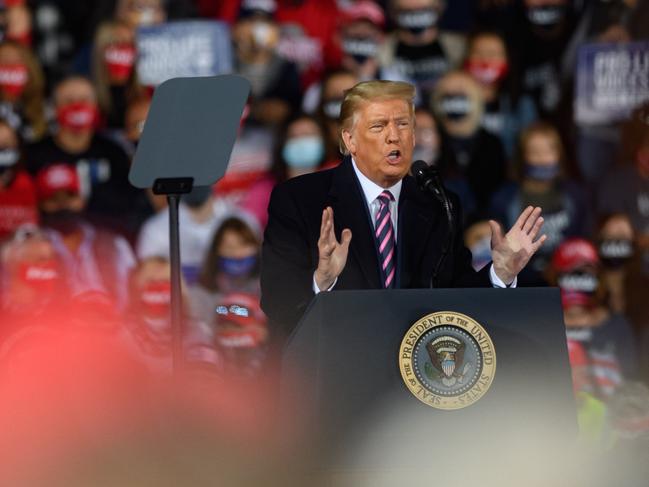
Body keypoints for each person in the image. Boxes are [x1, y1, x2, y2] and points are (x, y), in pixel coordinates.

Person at [261, 80, 546, 334]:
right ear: (350, 140)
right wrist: (321, 283)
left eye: (403, 124)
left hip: (412, 378)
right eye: (378, 126)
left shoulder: (438, 203)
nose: (394, 136)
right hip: (334, 374)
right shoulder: (300, 199)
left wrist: (501, 274)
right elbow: (278, 303)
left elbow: (458, 301)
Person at [24, 76, 138, 238]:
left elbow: (127, 203)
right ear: (55, 109)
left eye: (84, 100)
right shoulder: (34, 154)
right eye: (69, 101)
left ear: (96, 107)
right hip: (48, 241)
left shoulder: (113, 151)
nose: (77, 106)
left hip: (104, 240)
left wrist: (85, 204)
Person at [490, 121, 591, 283]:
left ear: (560, 154)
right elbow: (498, 253)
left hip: (566, 279)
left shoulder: (576, 196)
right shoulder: (504, 199)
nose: (543, 159)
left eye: (549, 151)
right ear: (523, 156)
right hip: (518, 280)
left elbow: (583, 244)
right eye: (535, 152)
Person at [0, 119, 38, 241]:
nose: (3, 147)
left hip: (17, 255)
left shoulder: (24, 182)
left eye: (8, 142)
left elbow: (32, 230)